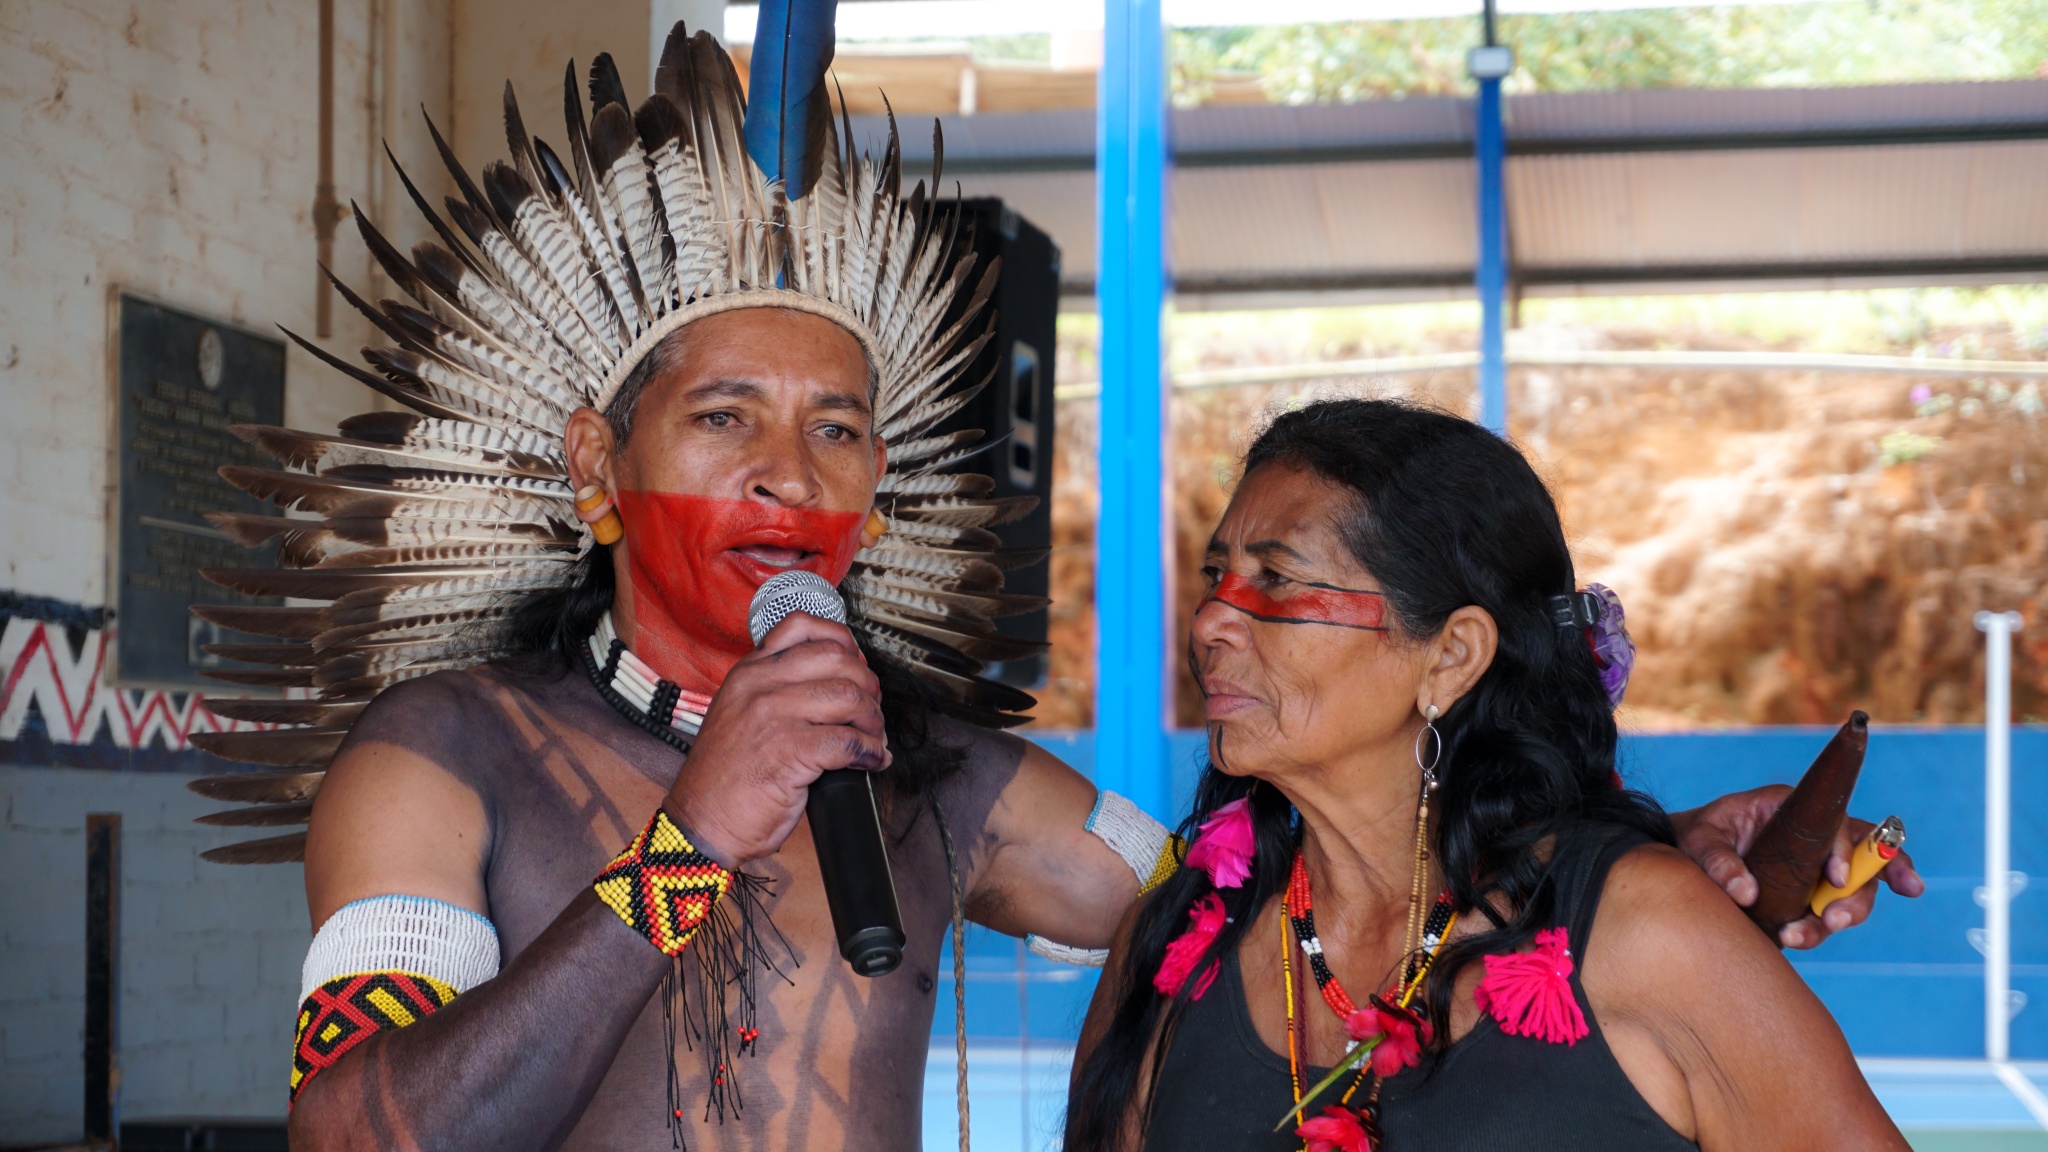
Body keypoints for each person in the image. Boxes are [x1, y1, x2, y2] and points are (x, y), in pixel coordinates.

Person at [185, 29, 1916, 1152]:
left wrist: (1627, 854)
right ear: (589, 464)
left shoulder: (938, 776)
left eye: (839, 428)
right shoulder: (442, 756)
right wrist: (684, 850)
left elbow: (1279, 886)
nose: (790, 473)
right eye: (725, 420)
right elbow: (353, 1135)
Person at [1065, 398, 1914, 1152]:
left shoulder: (1649, 933)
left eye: (1277, 582)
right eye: (1219, 577)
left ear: (1450, 657)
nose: (1212, 618)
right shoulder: (1171, 942)